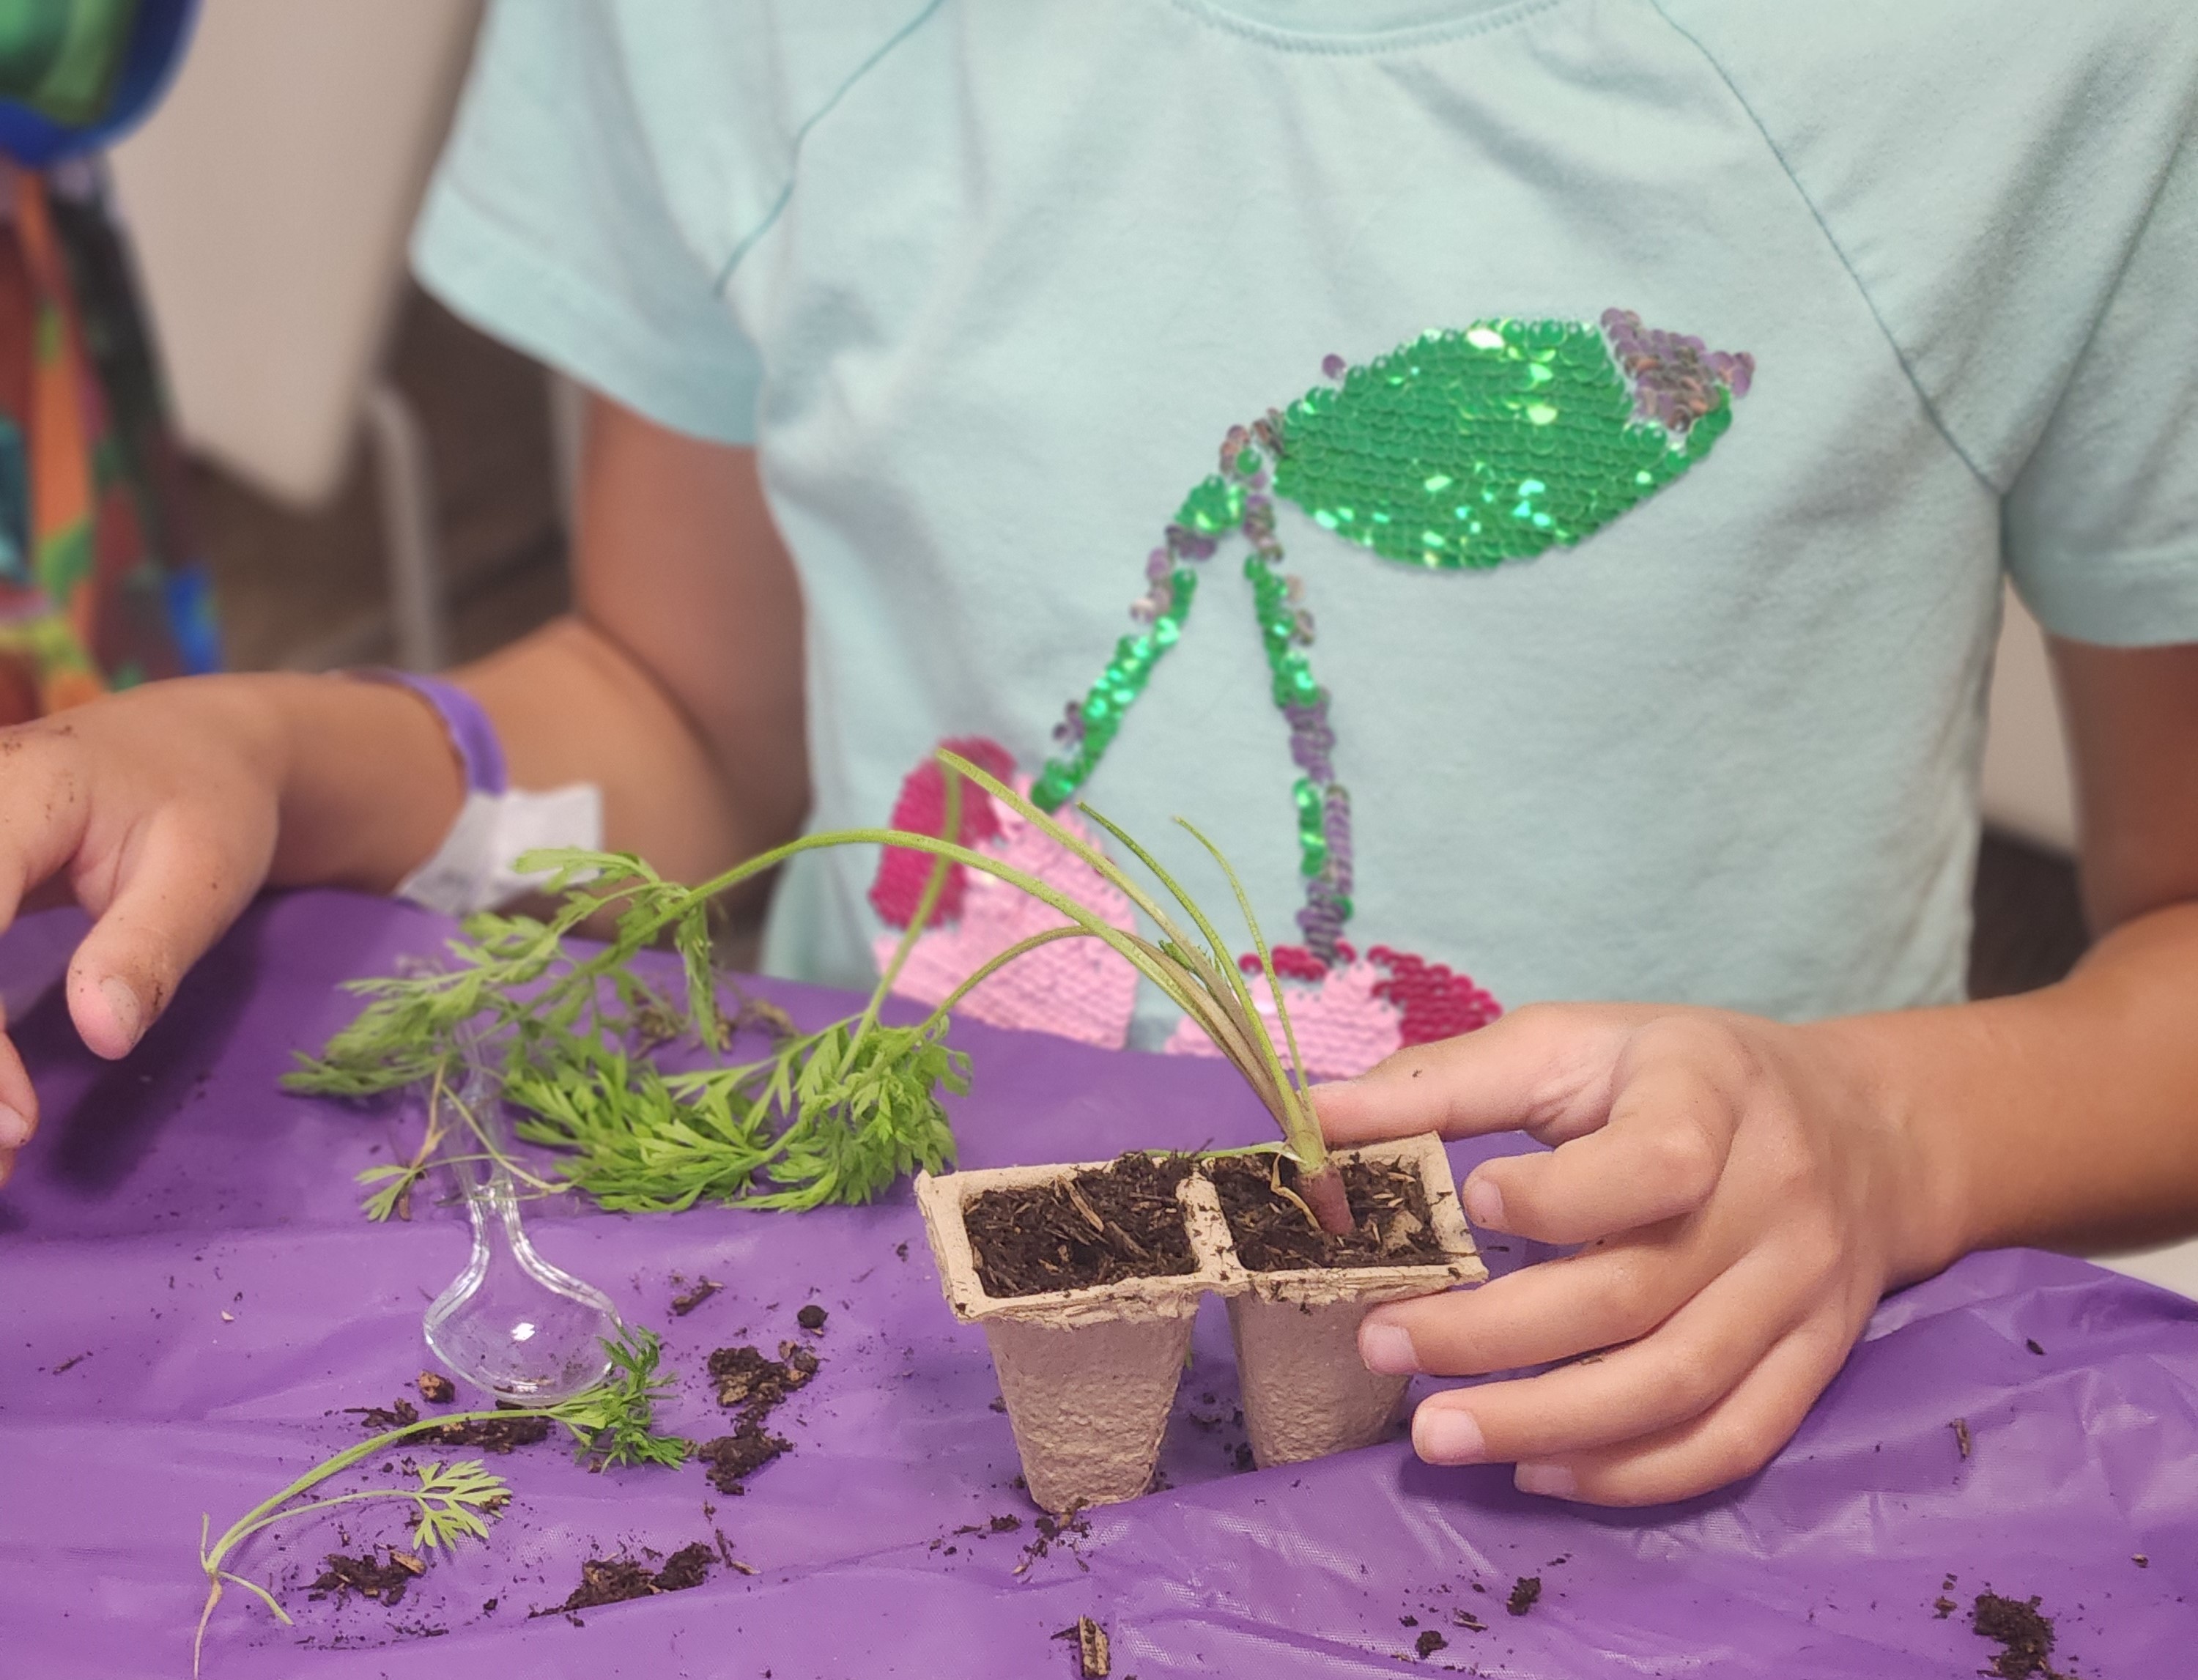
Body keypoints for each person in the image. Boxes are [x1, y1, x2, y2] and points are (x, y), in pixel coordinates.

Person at [2, 0, 2194, 1511]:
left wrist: (1891, 1141)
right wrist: (272, 762)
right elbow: (676, 721)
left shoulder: (2044, 65)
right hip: (914, 1428)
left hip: (1677, 1465)